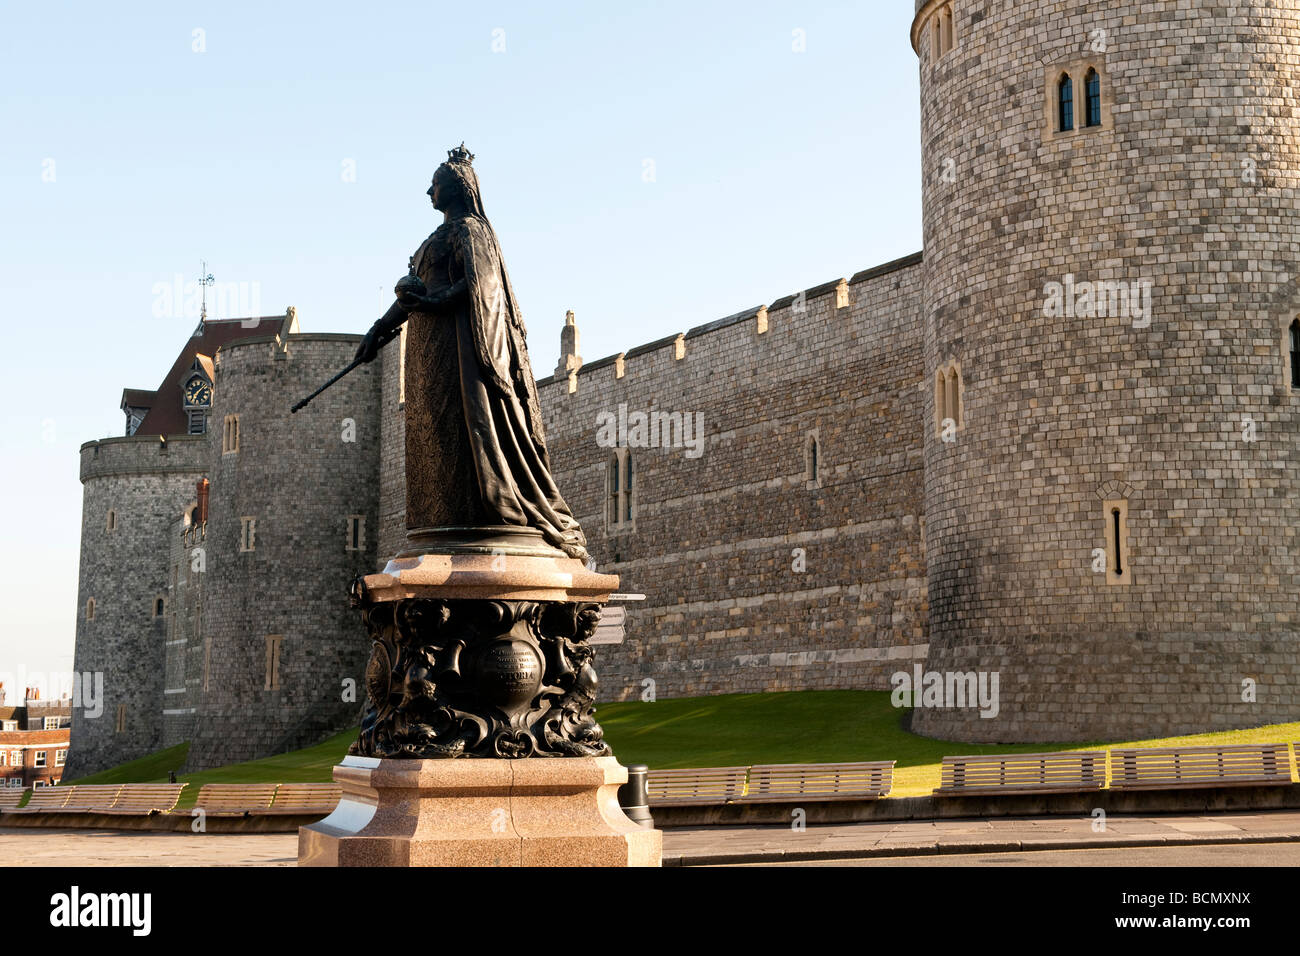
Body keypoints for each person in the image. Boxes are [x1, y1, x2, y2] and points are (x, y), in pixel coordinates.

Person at [355, 145, 589, 561]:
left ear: (457, 188)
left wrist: (432, 303)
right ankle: (445, 519)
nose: (428, 192)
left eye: (436, 185)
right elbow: (415, 294)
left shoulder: (471, 232)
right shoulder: (436, 238)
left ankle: (484, 513)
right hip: (429, 353)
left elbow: (481, 288)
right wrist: (380, 328)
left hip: (462, 352)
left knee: (468, 425)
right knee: (438, 433)